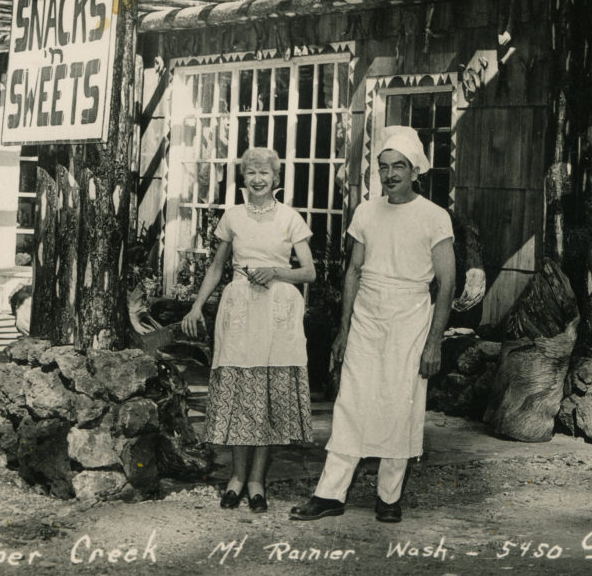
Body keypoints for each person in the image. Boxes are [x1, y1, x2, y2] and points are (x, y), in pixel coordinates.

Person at [290, 125, 455, 524]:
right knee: (351, 404)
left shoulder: (435, 217)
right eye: (383, 166)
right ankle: (330, 494)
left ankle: (388, 497)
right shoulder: (365, 212)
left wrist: (434, 343)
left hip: (411, 318)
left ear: (416, 170)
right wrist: (343, 330)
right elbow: (353, 271)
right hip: (367, 316)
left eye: (399, 166)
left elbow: (447, 283)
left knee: (401, 407)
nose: (391, 174)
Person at [181, 146, 315, 514]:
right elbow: (216, 268)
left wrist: (275, 272)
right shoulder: (233, 216)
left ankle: (257, 481)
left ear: (276, 179)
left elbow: (309, 272)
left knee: (268, 394)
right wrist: (196, 306)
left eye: (265, 173)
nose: (258, 179)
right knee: (241, 393)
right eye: (251, 173)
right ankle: (237, 478)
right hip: (239, 307)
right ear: (244, 178)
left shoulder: (290, 218)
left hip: (277, 311)